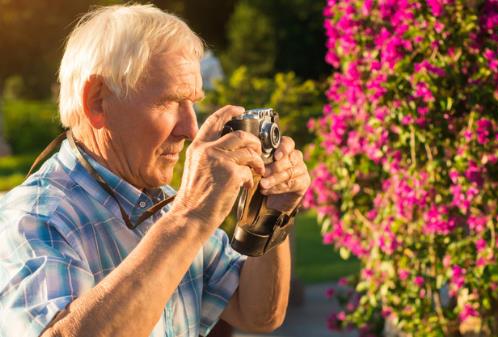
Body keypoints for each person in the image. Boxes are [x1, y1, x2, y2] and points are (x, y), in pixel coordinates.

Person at [0, 4, 310, 337]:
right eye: (169, 101)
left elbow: (259, 314)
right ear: (98, 102)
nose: (190, 129)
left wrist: (268, 211)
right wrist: (190, 217)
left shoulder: (166, 206)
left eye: (193, 103)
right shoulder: (34, 219)